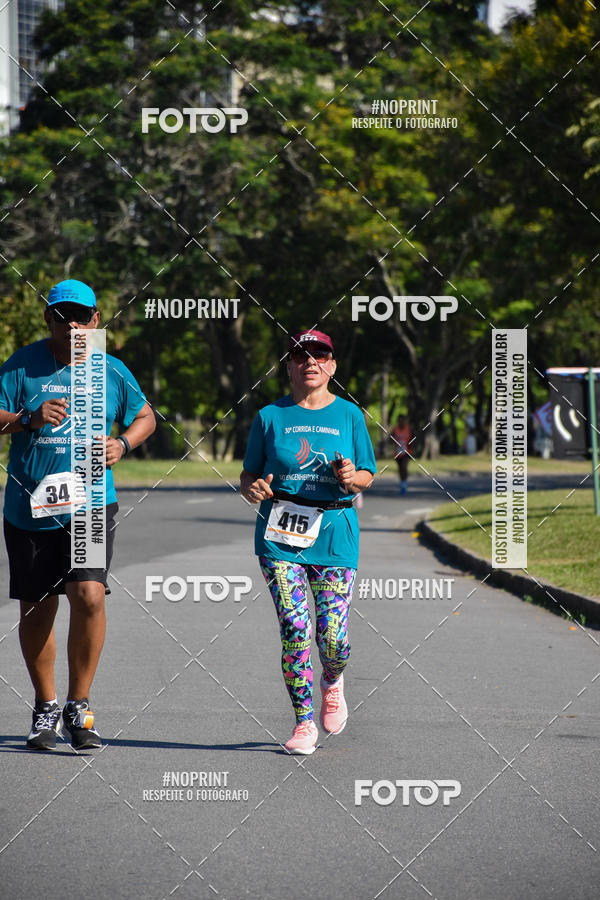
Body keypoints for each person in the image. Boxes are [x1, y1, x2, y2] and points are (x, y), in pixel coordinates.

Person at [0, 279, 156, 751]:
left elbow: (146, 416)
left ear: (95, 319)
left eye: (80, 317)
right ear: (48, 319)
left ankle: (78, 705)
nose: (71, 325)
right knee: (38, 604)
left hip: (89, 503)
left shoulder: (111, 368)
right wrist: (27, 418)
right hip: (31, 506)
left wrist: (123, 443)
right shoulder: (22, 365)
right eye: (60, 316)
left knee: (89, 594)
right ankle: (46, 708)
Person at [240, 329, 376, 755]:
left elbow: (368, 473)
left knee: (333, 637)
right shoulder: (269, 416)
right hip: (280, 533)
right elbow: (248, 475)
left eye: (320, 355)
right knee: (296, 626)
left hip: (336, 533)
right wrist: (254, 488)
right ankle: (302, 723)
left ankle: (332, 680)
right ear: (289, 367)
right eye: (301, 356)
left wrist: (353, 478)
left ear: (332, 366)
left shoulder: (351, 416)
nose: (310, 362)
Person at [391, 414, 412, 495]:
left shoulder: (408, 428)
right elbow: (391, 438)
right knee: (400, 468)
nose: (401, 422)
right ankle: (402, 482)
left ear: (405, 421)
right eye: (399, 421)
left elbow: (413, 438)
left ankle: (404, 484)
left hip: (407, 452)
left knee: (404, 467)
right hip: (398, 452)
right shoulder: (395, 429)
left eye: (402, 421)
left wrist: (411, 445)